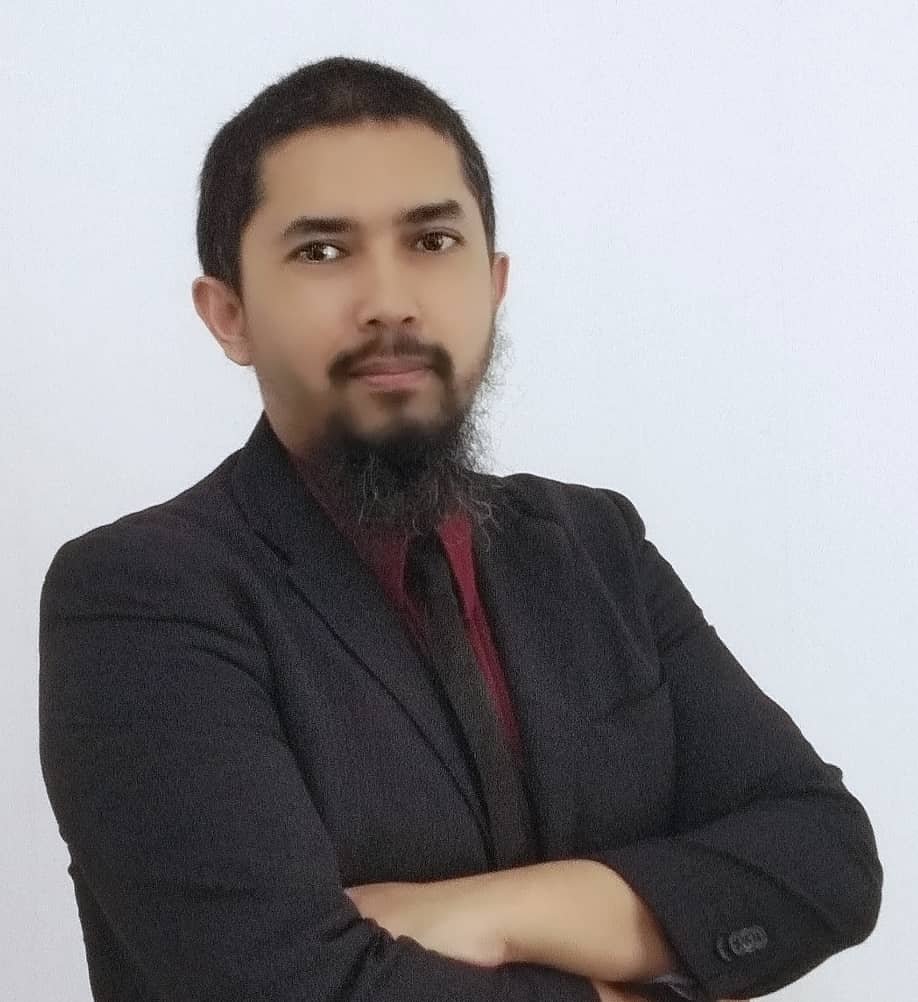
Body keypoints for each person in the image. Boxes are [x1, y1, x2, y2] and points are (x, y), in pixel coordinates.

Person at [38, 56, 881, 1002]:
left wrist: (493, 913)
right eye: (322, 252)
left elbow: (826, 857)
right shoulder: (141, 597)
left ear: (494, 282)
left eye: (433, 240)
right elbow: (292, 986)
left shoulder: (595, 545)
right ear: (228, 314)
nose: (390, 301)